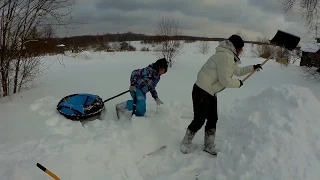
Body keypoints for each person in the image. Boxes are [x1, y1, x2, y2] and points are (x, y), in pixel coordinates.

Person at [180, 34, 262, 155]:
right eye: (241, 48)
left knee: (213, 119)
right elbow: (225, 81)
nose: (242, 51)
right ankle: (185, 143)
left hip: (210, 91)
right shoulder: (226, 57)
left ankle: (209, 145)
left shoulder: (229, 56)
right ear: (236, 47)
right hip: (202, 91)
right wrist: (238, 84)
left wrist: (253, 67)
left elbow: (237, 71)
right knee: (199, 120)